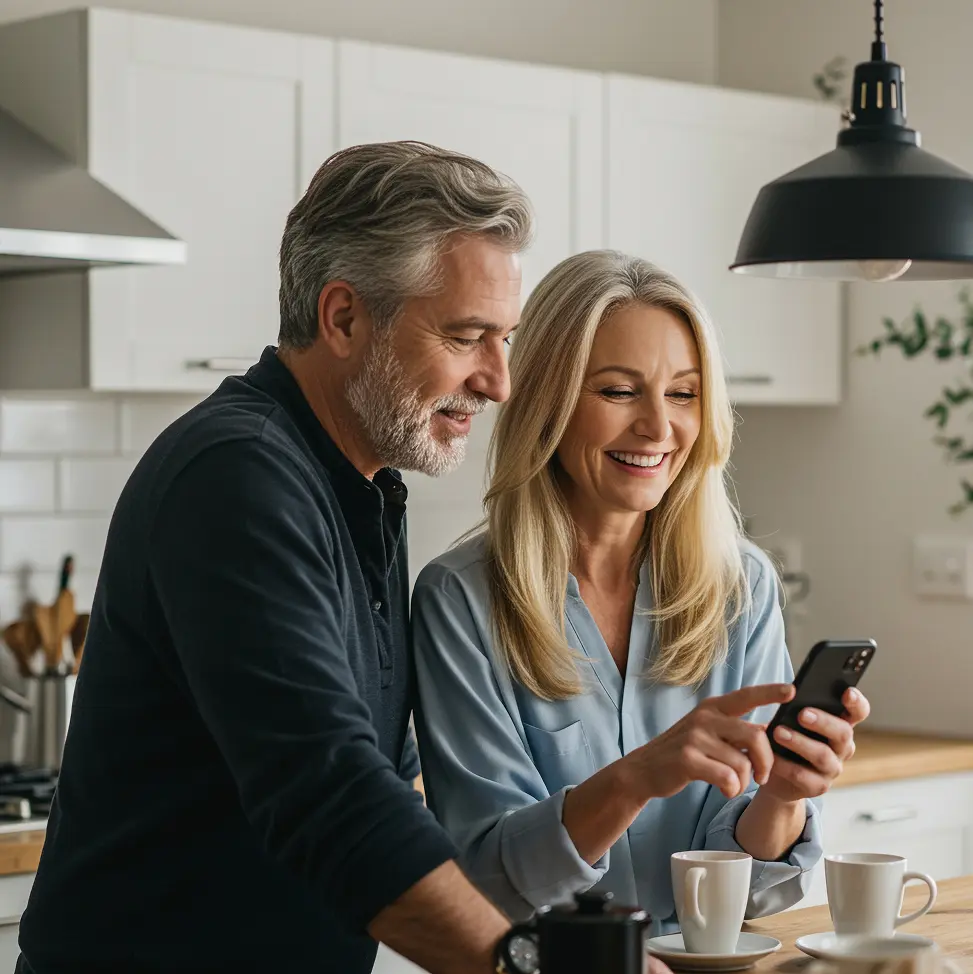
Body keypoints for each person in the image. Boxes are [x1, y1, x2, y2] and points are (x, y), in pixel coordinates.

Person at [17, 142, 536, 974]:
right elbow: (328, 794)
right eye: (468, 336)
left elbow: (376, 773)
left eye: (504, 338)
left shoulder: (361, 483)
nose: (498, 381)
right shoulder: (239, 476)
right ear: (342, 318)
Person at [412, 250, 871, 933]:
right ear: (549, 402)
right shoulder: (461, 600)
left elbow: (743, 896)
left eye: (683, 393)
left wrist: (782, 794)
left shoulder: (740, 586)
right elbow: (487, 881)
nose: (658, 427)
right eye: (619, 391)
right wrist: (633, 779)